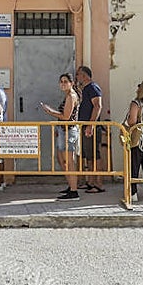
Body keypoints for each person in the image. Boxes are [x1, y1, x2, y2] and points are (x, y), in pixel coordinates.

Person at [41, 73, 81, 200]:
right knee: (62, 160)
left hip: (69, 131)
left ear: (71, 83)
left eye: (65, 81)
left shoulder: (71, 96)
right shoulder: (69, 96)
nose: (63, 84)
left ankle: (74, 191)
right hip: (64, 130)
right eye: (61, 81)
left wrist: (49, 111)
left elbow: (66, 117)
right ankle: (71, 186)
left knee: (69, 162)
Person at [75, 65, 107, 194]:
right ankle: (90, 181)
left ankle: (99, 183)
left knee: (94, 155)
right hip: (84, 127)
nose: (77, 77)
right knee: (88, 155)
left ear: (84, 75)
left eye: (78, 75)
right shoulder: (85, 89)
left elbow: (98, 106)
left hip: (91, 128)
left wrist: (91, 124)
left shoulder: (93, 87)